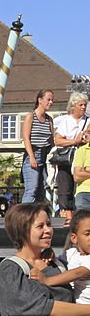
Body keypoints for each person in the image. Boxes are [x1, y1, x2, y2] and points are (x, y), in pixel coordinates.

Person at [52, 92, 90, 220]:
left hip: (83, 156)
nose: (84, 107)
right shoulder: (66, 121)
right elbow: (58, 140)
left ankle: (77, 216)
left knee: (79, 184)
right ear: (74, 105)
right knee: (65, 185)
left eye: (85, 105)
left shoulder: (88, 120)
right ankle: (67, 216)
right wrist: (75, 141)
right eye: (81, 105)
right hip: (67, 158)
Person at [21, 90, 54, 203]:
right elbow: (26, 138)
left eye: (52, 100)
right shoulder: (31, 116)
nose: (51, 102)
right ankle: (24, 216)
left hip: (46, 155)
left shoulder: (49, 120)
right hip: (34, 153)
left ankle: (37, 215)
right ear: (40, 100)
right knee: (31, 189)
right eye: (48, 99)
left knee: (43, 189)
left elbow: (51, 139)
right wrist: (31, 156)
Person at [72, 134, 90, 210]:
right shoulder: (82, 150)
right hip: (84, 192)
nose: (86, 135)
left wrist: (86, 170)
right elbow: (76, 176)